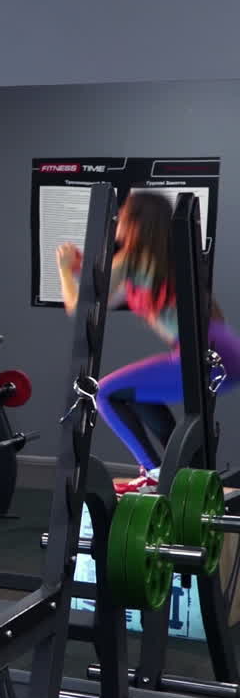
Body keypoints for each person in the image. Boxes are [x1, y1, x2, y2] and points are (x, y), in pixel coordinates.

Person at [56, 190, 240, 492]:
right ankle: (178, 470)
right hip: (222, 352)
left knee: (103, 394)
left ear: (134, 222)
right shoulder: (163, 258)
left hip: (204, 353)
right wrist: (82, 270)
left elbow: (79, 308)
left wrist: (64, 269)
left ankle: (155, 471)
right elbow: (108, 295)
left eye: (123, 215)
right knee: (139, 396)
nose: (117, 222)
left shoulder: (131, 259)